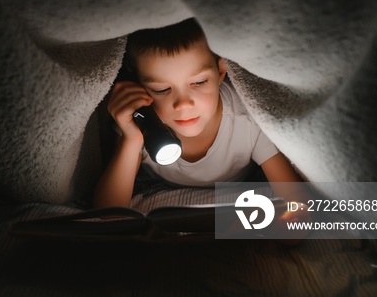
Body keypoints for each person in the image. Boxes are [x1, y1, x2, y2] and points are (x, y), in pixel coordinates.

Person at [93, 17, 304, 209]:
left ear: (221, 72)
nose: (183, 105)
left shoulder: (247, 120)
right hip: (156, 186)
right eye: (161, 90)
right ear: (138, 87)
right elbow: (108, 215)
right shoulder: (139, 122)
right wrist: (131, 139)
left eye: (199, 82)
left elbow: (297, 213)